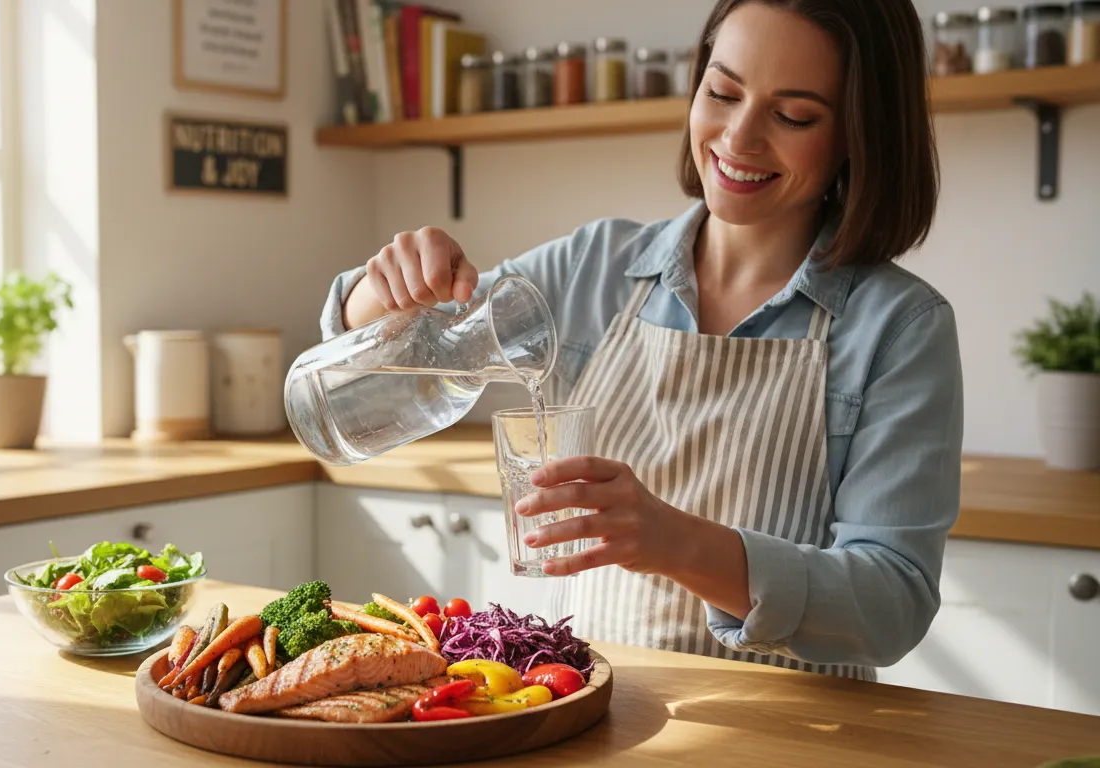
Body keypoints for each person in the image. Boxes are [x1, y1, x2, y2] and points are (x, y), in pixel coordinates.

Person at [317, 0, 962, 681]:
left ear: (858, 134)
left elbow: (892, 605)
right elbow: (385, 371)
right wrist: (381, 289)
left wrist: (674, 541)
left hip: (797, 738)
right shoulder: (591, 269)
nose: (739, 137)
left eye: (793, 115)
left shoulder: (900, 327)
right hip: (595, 715)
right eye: (722, 92)